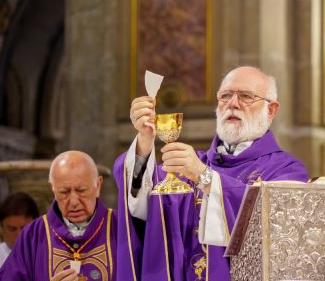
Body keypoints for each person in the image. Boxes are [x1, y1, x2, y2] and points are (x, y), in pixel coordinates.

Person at [114, 66, 309, 280]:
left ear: (270, 110)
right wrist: (145, 139)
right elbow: (144, 206)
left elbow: (279, 235)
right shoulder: (189, 167)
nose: (232, 104)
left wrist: (205, 178)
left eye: (245, 96)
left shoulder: (288, 170)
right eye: (225, 96)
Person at [0, 150, 117, 281]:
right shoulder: (33, 235)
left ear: (98, 185)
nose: (74, 202)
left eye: (81, 190)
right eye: (64, 192)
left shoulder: (122, 228)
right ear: (52, 189)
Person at [0, 192, 39, 278]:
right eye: (12, 229)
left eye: (25, 229)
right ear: (1, 229)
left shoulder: (53, 256)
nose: (19, 235)